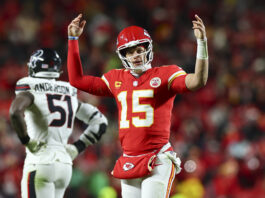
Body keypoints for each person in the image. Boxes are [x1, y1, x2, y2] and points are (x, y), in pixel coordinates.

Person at [67, 13, 209, 198]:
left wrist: (202, 43)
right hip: (130, 159)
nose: (135, 56)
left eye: (139, 50)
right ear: (122, 55)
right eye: (129, 52)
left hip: (158, 156)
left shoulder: (165, 74)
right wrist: (73, 39)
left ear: (148, 49)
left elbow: (197, 81)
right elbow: (76, 80)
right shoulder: (116, 78)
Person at [9, 48, 108, 198]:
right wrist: (77, 147)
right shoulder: (68, 91)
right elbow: (100, 121)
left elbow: (15, 112)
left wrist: (26, 141)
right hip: (64, 165)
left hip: (41, 161)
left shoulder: (30, 86)